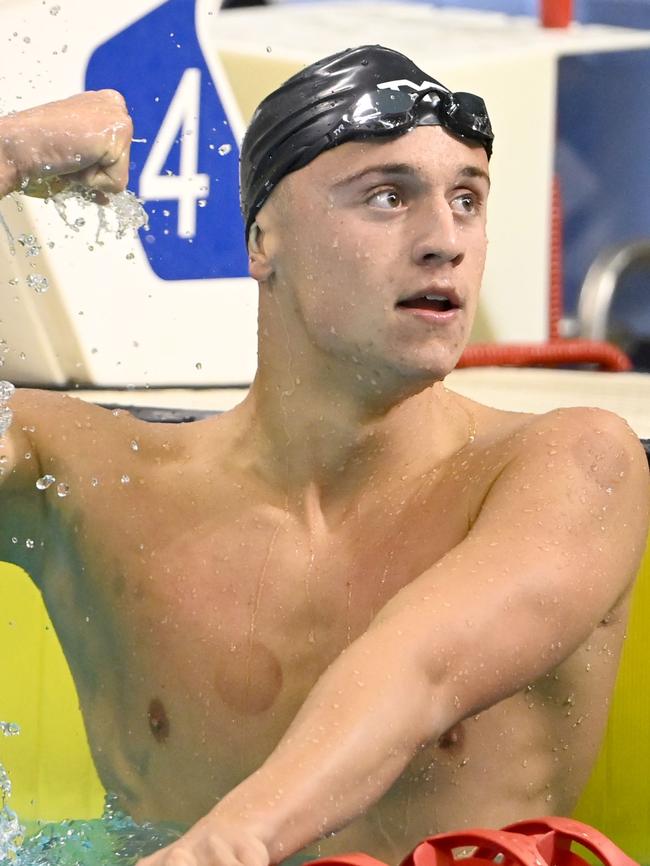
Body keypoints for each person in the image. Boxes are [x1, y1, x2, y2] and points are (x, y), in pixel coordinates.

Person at [0, 46, 648, 866]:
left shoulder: (574, 465)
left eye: (467, 200)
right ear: (263, 241)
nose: (444, 240)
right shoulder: (102, 480)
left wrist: (224, 846)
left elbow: (420, 670)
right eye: (387, 197)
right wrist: (10, 153)